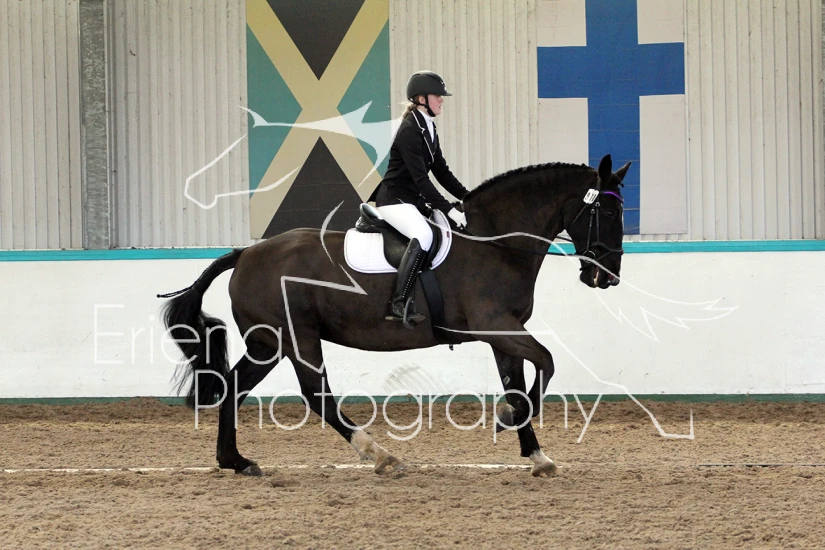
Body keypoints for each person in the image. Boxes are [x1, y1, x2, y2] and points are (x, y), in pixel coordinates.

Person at [371, 70, 469, 325]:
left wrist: (469, 197)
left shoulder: (428, 127)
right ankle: (398, 302)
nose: (442, 100)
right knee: (424, 235)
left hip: (411, 200)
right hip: (394, 200)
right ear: (422, 99)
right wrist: (449, 210)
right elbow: (421, 180)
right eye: (438, 96)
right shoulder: (410, 131)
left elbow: (442, 171)